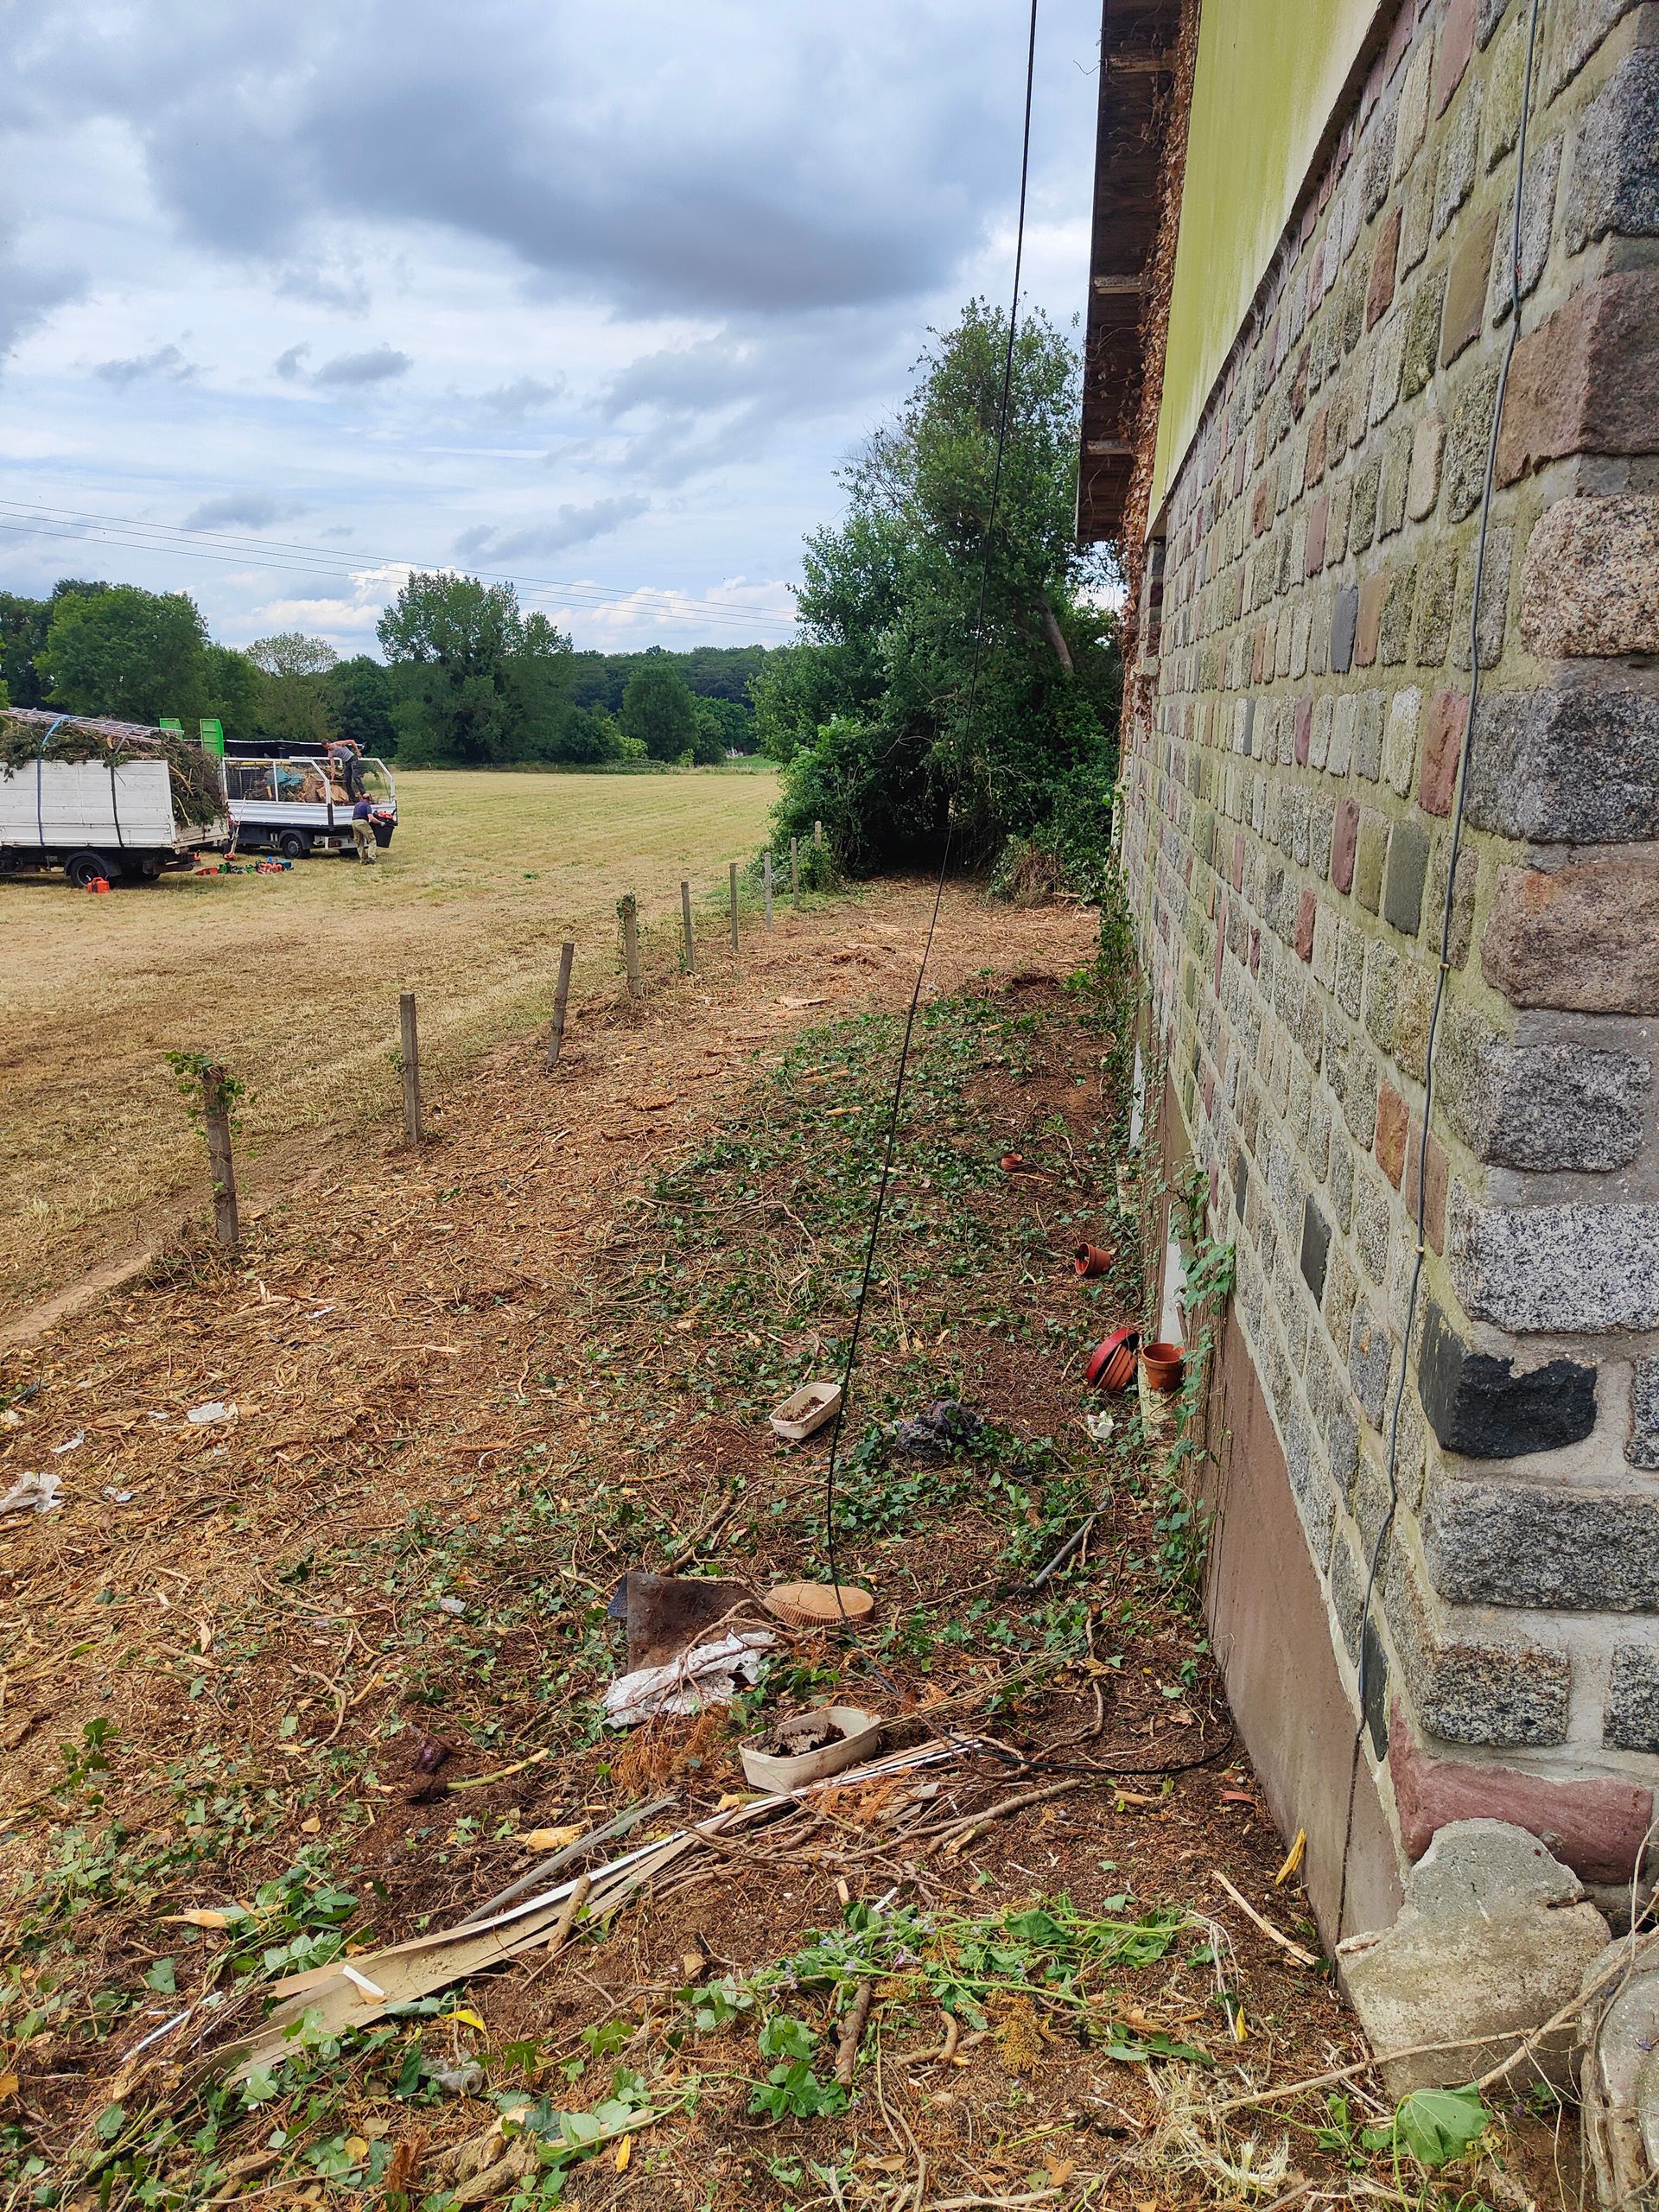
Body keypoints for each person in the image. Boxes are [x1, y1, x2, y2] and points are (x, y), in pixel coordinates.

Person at [351, 793, 377, 864]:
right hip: (362, 823)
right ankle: (371, 858)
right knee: (372, 840)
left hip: (354, 822)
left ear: (362, 798)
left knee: (359, 842)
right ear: (369, 799)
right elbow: (371, 818)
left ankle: (363, 859)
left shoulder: (357, 804)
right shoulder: (367, 805)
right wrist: (380, 822)